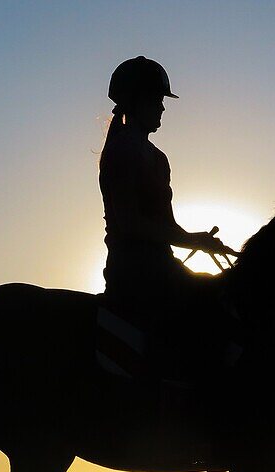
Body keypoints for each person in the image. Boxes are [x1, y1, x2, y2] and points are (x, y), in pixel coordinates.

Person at [99, 56, 237, 333]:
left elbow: (167, 226)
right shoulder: (121, 150)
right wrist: (190, 239)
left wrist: (199, 239)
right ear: (137, 101)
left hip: (162, 266)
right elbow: (130, 224)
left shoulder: (159, 158)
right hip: (134, 271)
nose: (162, 107)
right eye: (156, 100)